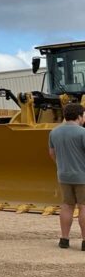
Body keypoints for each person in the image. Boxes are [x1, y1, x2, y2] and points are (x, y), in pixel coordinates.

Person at [49, 102, 85, 249]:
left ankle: (64, 239)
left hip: (63, 175)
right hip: (82, 176)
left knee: (67, 206)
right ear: (79, 116)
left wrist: (62, 165)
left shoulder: (54, 132)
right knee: (84, 206)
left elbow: (52, 153)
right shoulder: (82, 133)